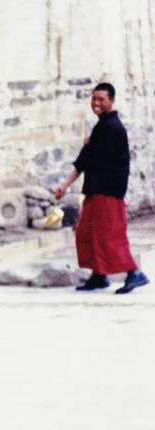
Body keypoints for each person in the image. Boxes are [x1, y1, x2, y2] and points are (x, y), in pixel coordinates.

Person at [55, 82, 149, 294]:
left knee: (109, 236)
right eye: (94, 99)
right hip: (96, 190)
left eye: (101, 99)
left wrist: (90, 146)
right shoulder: (102, 126)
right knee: (86, 233)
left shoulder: (113, 128)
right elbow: (85, 159)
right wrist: (66, 184)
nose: (96, 103)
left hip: (108, 191)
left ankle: (134, 273)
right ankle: (99, 276)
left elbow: (91, 159)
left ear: (112, 101)